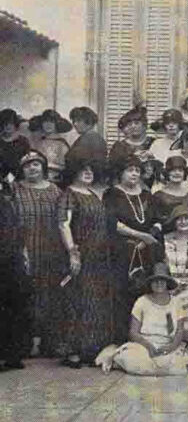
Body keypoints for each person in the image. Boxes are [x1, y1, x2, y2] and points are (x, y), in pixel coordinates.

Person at [57, 157, 115, 367]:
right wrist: (73, 252)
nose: (89, 172)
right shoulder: (68, 195)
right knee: (77, 302)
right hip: (82, 255)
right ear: (74, 172)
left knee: (95, 303)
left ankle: (90, 350)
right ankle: (72, 352)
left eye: (91, 169)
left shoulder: (93, 194)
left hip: (99, 257)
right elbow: (64, 224)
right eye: (83, 170)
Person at [14, 151, 67, 358]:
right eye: (27, 165)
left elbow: (63, 222)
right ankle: (29, 342)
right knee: (27, 296)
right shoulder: (15, 190)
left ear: (43, 167)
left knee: (50, 295)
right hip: (24, 249)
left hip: (51, 251)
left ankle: (48, 341)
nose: (32, 168)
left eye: (36, 164)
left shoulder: (55, 191)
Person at [103, 155, 161, 343]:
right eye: (130, 170)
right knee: (122, 295)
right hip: (122, 252)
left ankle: (146, 339)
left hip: (146, 252)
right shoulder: (112, 194)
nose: (134, 173)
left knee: (145, 294)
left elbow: (158, 222)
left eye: (137, 170)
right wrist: (140, 236)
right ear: (121, 173)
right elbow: (114, 223)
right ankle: (121, 340)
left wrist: (149, 237)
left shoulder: (147, 195)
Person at [95, 263, 188, 375]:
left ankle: (150, 367)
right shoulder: (142, 301)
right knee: (134, 362)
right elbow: (133, 332)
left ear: (167, 283)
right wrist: (148, 346)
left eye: (162, 280)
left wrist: (171, 347)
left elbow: (180, 331)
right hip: (143, 346)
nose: (159, 283)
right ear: (150, 283)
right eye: (155, 280)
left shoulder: (177, 303)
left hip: (167, 346)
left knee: (178, 367)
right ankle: (117, 357)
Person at [0, 161, 29, 370]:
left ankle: (12, 353)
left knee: (14, 304)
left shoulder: (8, 196)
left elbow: (17, 227)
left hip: (11, 256)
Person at [161, 205, 188, 354]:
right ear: (174, 222)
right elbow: (163, 264)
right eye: (179, 219)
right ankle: (172, 343)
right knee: (169, 306)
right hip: (171, 283)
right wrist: (172, 283)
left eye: (186, 219)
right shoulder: (166, 240)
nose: (183, 222)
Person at [28, 109, 71, 183]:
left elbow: (65, 167)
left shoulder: (61, 144)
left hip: (54, 180)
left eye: (51, 122)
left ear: (56, 124)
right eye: (45, 122)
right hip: (35, 178)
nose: (48, 125)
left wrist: (45, 165)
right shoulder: (38, 141)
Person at [65, 107, 107, 174]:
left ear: (89, 122)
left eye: (78, 121)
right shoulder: (84, 138)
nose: (75, 124)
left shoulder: (93, 138)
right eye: (73, 121)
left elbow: (96, 165)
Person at [151, 156, 188, 227]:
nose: (177, 173)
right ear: (167, 173)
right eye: (173, 170)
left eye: (180, 170)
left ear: (184, 174)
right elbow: (154, 220)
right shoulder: (158, 196)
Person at [0, 108, 30, 179]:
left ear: (15, 124)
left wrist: (11, 177)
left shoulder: (23, 141)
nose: (8, 126)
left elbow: (26, 161)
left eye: (11, 123)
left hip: (19, 176)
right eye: (5, 123)